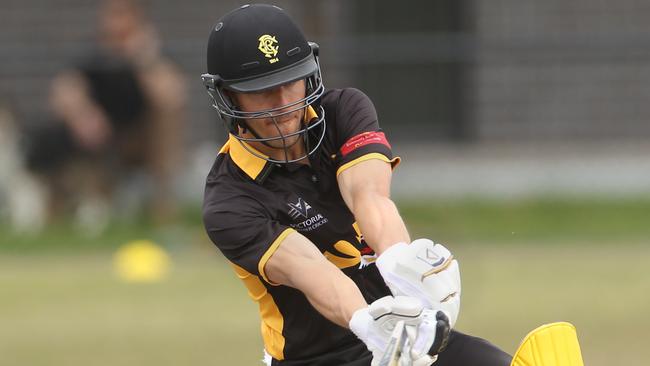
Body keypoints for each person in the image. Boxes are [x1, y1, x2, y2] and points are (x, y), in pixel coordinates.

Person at [201, 4, 511, 366]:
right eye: (263, 91)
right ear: (227, 97)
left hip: (403, 329)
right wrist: (368, 323)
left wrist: (402, 265)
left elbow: (369, 197)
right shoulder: (228, 200)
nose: (284, 104)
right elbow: (310, 269)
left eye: (291, 81)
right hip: (316, 357)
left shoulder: (344, 110)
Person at [26, 0, 185, 230]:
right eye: (110, 15)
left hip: (141, 139)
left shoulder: (151, 55)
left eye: (122, 15)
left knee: (166, 120)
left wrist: (144, 58)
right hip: (101, 136)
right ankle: (65, 211)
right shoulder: (94, 55)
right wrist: (82, 113)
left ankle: (163, 213)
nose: (114, 23)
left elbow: (171, 96)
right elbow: (64, 89)